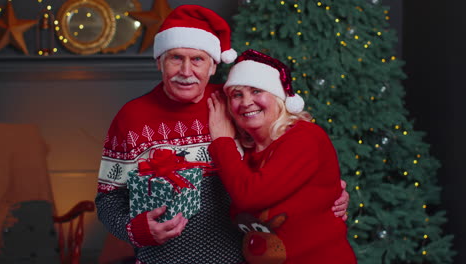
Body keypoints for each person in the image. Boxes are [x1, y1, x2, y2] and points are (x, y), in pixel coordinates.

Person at [95, 5, 349, 264]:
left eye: (197, 59)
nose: (186, 71)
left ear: (213, 65)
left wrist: (328, 192)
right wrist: (135, 230)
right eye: (175, 58)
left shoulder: (235, 104)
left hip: (241, 257)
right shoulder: (131, 117)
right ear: (159, 62)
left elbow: (281, 160)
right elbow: (108, 198)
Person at [207, 49, 357, 263]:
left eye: (257, 91)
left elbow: (250, 196)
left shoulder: (304, 137)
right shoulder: (246, 153)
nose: (246, 102)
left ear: (278, 97)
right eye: (237, 95)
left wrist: (221, 142)